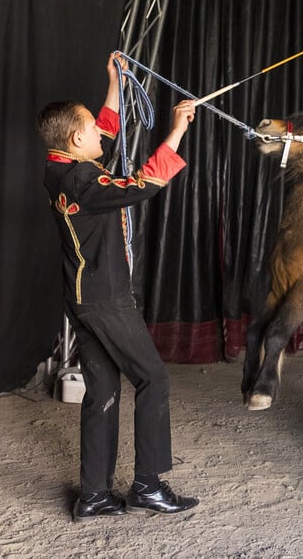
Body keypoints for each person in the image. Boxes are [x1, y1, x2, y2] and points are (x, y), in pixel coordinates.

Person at [37, 52, 199, 521]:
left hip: (82, 298)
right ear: (75, 139)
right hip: (105, 298)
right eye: (89, 126)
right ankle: (148, 485)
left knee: (103, 389)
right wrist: (177, 131)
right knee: (154, 378)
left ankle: (94, 495)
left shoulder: (58, 168)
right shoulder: (84, 178)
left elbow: (103, 130)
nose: (100, 130)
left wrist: (114, 83)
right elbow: (143, 183)